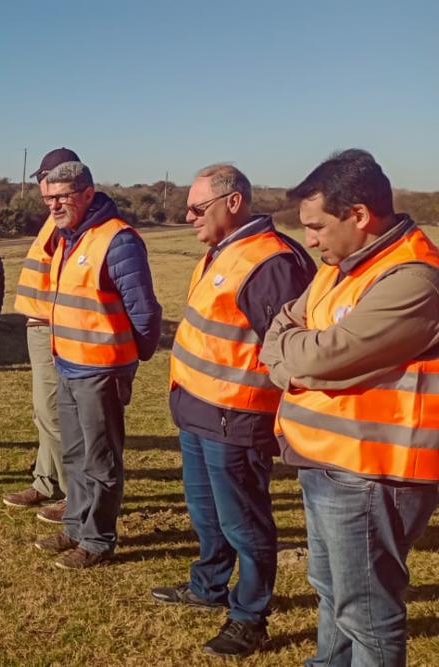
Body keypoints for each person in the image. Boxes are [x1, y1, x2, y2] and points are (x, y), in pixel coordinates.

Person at [261, 149, 439, 667]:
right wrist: (294, 356)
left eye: (316, 226)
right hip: (327, 461)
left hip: (373, 473)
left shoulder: (412, 280)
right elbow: (281, 328)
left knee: (366, 611)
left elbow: (322, 357)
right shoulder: (340, 267)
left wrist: (295, 356)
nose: (308, 239)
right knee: (331, 589)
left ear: (359, 215)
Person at [154, 164, 316, 658]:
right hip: (198, 410)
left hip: (236, 418)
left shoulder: (272, 263)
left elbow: (290, 351)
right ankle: (208, 586)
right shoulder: (223, 250)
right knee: (207, 514)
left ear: (233, 202)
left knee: (244, 522)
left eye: (197, 208)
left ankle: (249, 616)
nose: (188, 217)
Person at [32, 161, 162, 569]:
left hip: (101, 371)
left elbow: (144, 311)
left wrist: (126, 361)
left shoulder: (118, 240)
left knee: (101, 460)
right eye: (49, 198)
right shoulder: (68, 237)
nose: (54, 205)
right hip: (69, 365)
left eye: (62, 196)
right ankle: (74, 526)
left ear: (88, 193)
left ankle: (98, 540)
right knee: (74, 455)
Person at [2, 148, 78, 523]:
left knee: (53, 412)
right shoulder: (54, 218)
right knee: (42, 412)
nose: (40, 187)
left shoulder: (70, 221)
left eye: (44, 179)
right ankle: (45, 481)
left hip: (53, 325)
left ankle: (71, 494)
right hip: (39, 323)